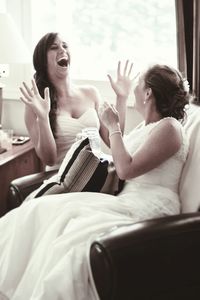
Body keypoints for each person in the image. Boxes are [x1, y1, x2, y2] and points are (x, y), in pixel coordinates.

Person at [0, 64, 190, 299]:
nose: (135, 91)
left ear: (148, 92)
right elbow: (120, 156)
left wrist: (113, 126)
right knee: (44, 209)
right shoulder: (147, 127)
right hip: (127, 199)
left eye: (138, 85)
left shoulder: (170, 127)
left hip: (149, 205)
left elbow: (125, 169)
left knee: (70, 239)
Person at [19, 32, 133, 169]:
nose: (62, 50)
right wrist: (43, 118)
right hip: (61, 180)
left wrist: (122, 98)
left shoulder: (91, 93)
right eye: (54, 47)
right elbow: (49, 159)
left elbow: (112, 140)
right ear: (42, 60)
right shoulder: (35, 104)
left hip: (95, 175)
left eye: (65, 46)